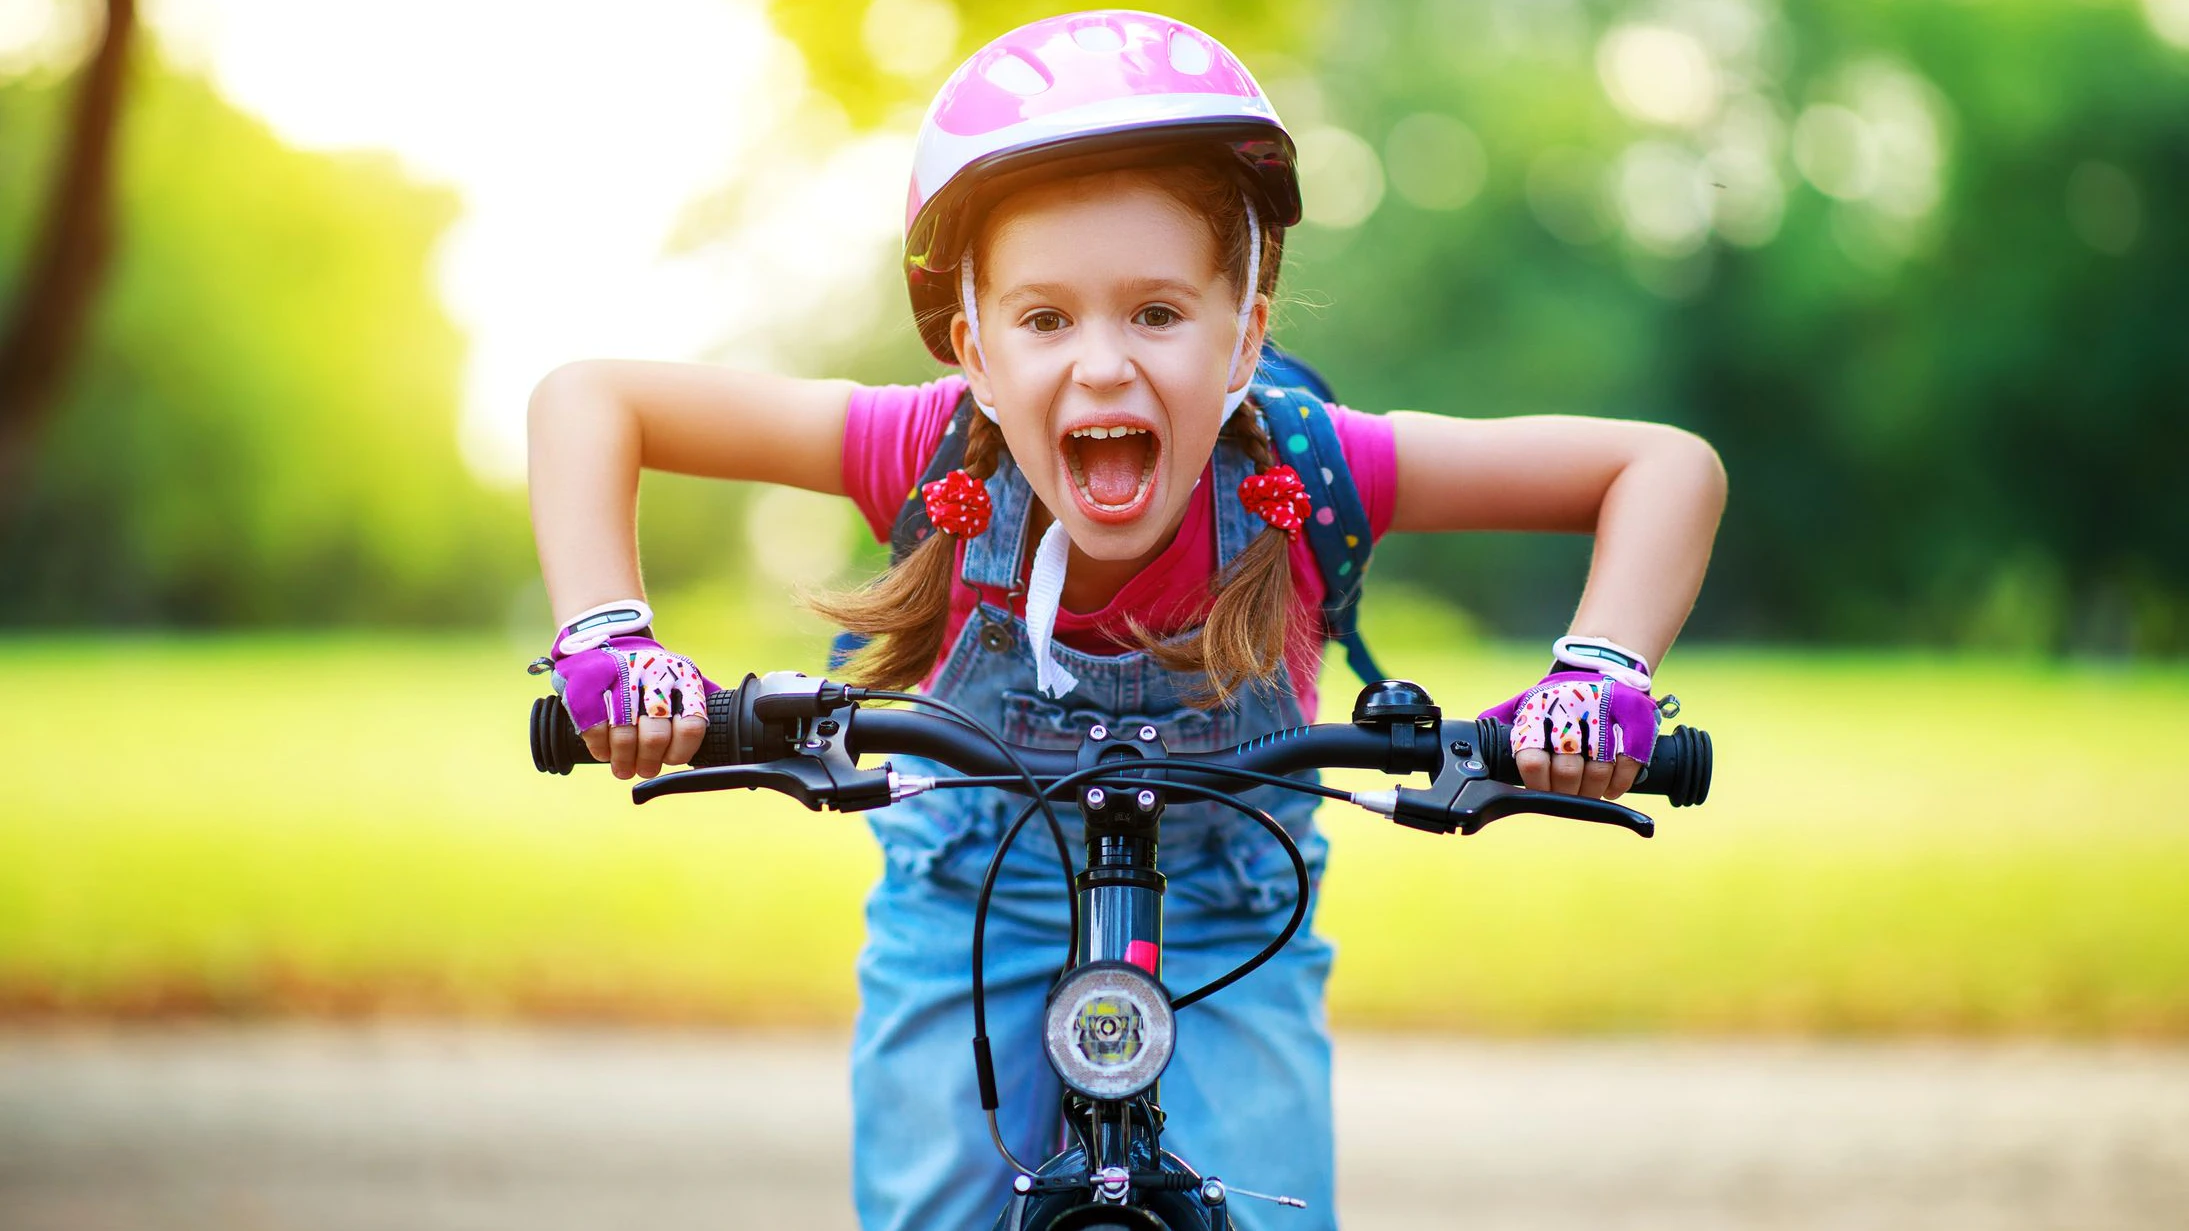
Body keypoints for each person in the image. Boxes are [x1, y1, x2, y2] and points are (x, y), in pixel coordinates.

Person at [526, 11, 1726, 1229]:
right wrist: (611, 639)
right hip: (968, 886)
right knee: (931, 1208)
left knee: (1269, 1212)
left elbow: (1662, 468)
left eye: (1156, 313)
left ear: (1244, 334)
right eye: (1045, 319)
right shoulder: (928, 450)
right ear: (977, 354)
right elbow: (591, 402)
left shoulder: (1312, 470)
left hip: (1229, 907)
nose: (1101, 363)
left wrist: (1597, 675)